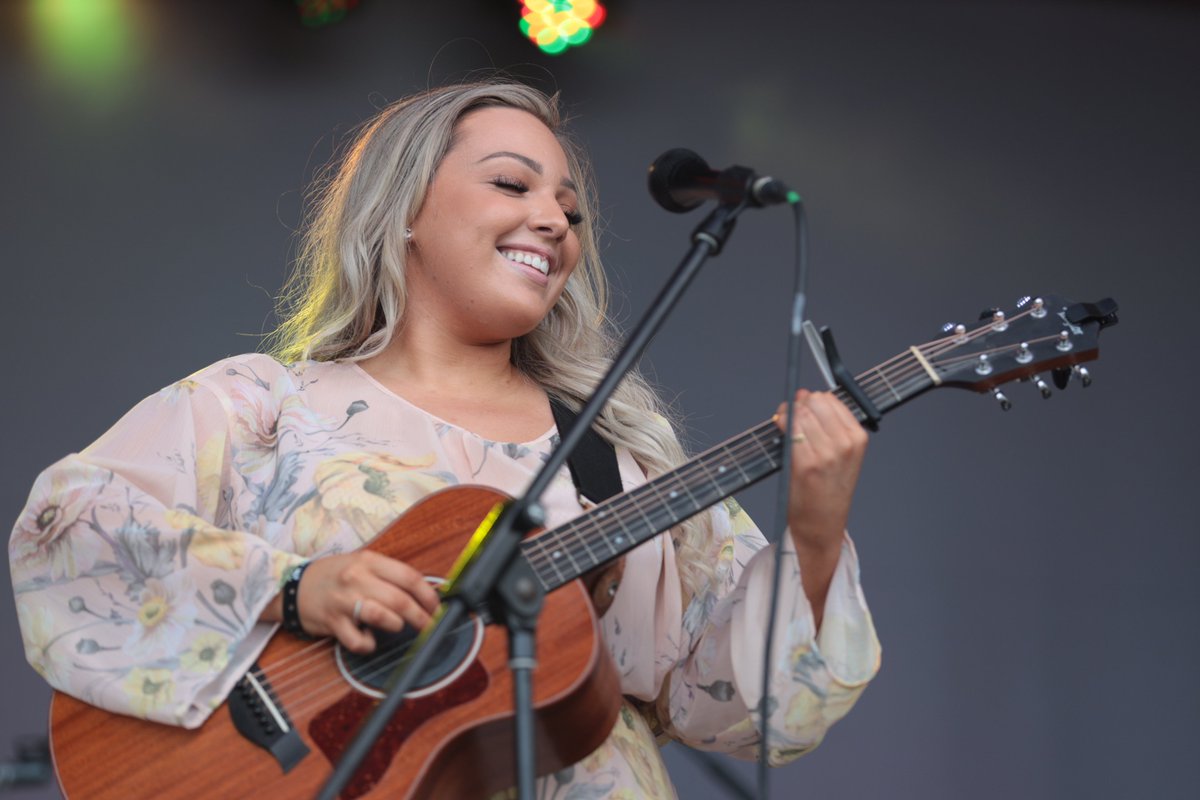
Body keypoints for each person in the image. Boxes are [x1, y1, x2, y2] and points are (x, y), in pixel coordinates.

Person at [10, 81, 880, 798]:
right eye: (513, 185)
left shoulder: (616, 459)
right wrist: (295, 586)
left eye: (570, 210)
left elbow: (739, 711)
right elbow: (70, 529)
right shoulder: (268, 406)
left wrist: (813, 537)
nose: (555, 222)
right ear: (405, 212)